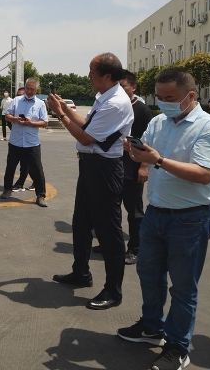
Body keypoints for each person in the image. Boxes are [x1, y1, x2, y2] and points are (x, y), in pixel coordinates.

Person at [118, 67, 210, 370]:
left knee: (183, 286)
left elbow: (204, 174)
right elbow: (145, 154)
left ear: (190, 96)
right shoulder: (158, 122)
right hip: (156, 212)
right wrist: (136, 153)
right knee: (149, 274)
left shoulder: (208, 127)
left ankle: (178, 345)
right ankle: (152, 325)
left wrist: (159, 160)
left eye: (170, 98)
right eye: (159, 97)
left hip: (190, 217)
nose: (163, 103)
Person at [48, 54, 133, 311]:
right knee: (81, 223)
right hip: (90, 166)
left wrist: (60, 114)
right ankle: (81, 272)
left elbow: (86, 138)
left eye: (92, 71)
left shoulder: (116, 103)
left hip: (104, 169)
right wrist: (67, 110)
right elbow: (88, 125)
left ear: (107, 76)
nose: (88, 76)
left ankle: (113, 290)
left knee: (108, 231)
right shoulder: (104, 97)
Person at [119, 70, 155, 266]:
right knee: (112, 209)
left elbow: (149, 141)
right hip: (114, 166)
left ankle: (135, 248)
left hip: (132, 168)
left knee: (134, 211)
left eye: (123, 86)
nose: (119, 89)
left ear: (133, 87)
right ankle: (113, 244)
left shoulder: (142, 110)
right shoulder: (116, 107)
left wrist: (143, 166)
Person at [0, 78, 48, 207]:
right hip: (15, 141)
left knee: (37, 170)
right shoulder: (16, 100)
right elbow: (7, 116)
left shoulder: (40, 104)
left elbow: (44, 122)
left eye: (32, 89)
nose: (29, 91)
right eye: (27, 88)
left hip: (32, 143)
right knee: (10, 167)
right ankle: (7, 190)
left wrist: (31, 123)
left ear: (37, 89)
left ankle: (41, 195)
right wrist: (16, 119)